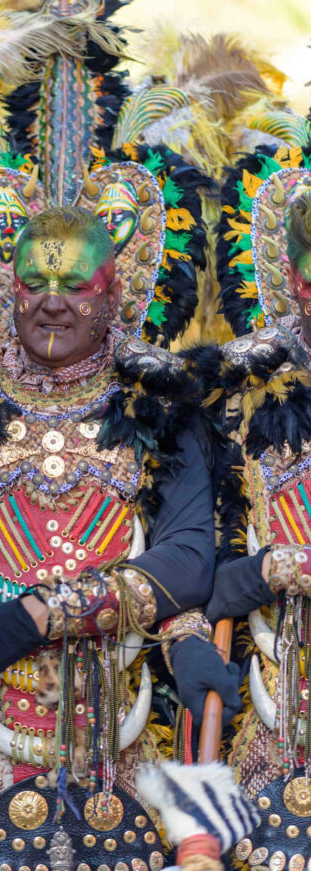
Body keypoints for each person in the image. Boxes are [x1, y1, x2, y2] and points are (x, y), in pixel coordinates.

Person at [0, 206, 241, 868]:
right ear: (10, 287)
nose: (53, 302)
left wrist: (43, 613)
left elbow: (185, 558)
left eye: (75, 285)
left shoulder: (158, 401)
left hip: (123, 730)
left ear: (112, 293)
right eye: (34, 283)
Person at [196, 178, 311, 868]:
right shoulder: (238, 394)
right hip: (270, 701)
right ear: (295, 280)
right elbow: (197, 575)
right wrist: (275, 568)